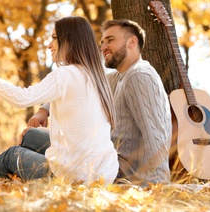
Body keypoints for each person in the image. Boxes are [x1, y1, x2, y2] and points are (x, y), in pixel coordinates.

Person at [0, 16, 118, 186]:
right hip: (102, 172)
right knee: (30, 135)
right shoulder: (97, 76)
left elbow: (20, 99)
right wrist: (43, 111)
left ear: (68, 40)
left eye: (54, 38)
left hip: (72, 177)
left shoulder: (64, 75)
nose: (49, 45)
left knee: (11, 155)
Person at [29, 19, 172, 186]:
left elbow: (156, 135)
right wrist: (44, 110)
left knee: (19, 151)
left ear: (132, 42)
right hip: (103, 157)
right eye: (102, 42)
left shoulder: (140, 75)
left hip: (119, 172)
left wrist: (158, 186)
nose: (103, 47)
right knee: (31, 136)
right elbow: (78, 86)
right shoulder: (116, 77)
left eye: (110, 40)